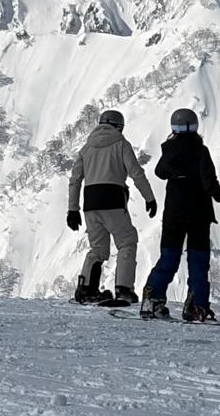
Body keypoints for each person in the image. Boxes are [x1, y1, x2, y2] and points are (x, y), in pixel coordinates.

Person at [141, 109, 220, 321]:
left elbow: (160, 172)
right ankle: (196, 306)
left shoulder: (168, 151)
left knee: (168, 259)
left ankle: (152, 300)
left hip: (173, 214)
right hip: (198, 214)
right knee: (198, 261)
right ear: (195, 126)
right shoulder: (200, 151)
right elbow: (210, 184)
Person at [67, 109, 156, 304]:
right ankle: (124, 289)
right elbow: (136, 173)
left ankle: (86, 288)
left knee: (97, 249)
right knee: (127, 242)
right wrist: (149, 197)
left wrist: (72, 209)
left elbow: (75, 180)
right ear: (119, 127)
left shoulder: (86, 149)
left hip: (90, 204)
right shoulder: (121, 144)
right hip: (113, 200)